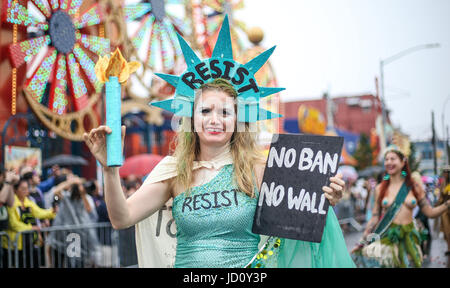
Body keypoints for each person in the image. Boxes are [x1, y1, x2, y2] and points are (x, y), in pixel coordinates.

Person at [84, 79, 351, 268]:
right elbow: (122, 218)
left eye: (225, 112)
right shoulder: (174, 171)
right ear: (192, 118)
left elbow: (300, 220)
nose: (215, 119)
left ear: (237, 121)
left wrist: (325, 197)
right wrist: (109, 170)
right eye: (206, 111)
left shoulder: (259, 168)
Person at [352, 146, 450, 268]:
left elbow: (430, 212)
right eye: (386, 159)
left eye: (393, 159)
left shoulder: (414, 186)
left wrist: (447, 204)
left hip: (409, 238)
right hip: (388, 239)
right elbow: (374, 218)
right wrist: (363, 240)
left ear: (403, 162)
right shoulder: (380, 188)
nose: (388, 162)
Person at [46, 174, 100, 268]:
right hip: (61, 235)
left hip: (75, 237)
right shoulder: (66, 197)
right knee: (58, 262)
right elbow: (56, 191)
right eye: (79, 186)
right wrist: (71, 182)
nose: (81, 187)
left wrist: (83, 194)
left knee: (75, 263)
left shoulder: (85, 198)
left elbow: (89, 210)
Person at [4, 178, 55, 268]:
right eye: (23, 189)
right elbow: (13, 224)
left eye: (27, 188)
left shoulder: (28, 202)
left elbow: (40, 212)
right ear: (15, 190)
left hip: (29, 242)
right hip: (15, 244)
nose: (26, 191)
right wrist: (31, 228)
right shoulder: (12, 203)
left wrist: (52, 211)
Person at [0, 170, 17, 267]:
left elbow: (11, 203)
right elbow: (1, 200)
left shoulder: (4, 186)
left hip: (3, 233)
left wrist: (10, 183)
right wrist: (7, 181)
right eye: (3, 176)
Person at [436, 165, 450, 267]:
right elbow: (441, 197)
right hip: (445, 210)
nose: (446, 173)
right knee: (447, 231)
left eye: (447, 172)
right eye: (444, 172)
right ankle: (449, 248)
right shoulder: (443, 184)